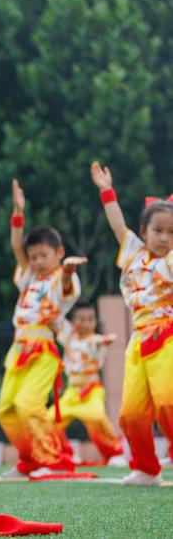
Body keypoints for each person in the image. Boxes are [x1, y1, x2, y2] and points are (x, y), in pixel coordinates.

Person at [0, 180, 85, 479]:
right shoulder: (29, 276)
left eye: (43, 255)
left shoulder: (61, 277)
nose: (36, 261)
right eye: (33, 256)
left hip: (43, 351)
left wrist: (70, 271)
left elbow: (68, 288)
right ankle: (30, 460)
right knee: (6, 410)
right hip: (18, 349)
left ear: (59, 252)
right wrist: (18, 212)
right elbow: (15, 246)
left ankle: (53, 460)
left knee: (28, 404)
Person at [91, 162, 173, 486]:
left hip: (168, 336)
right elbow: (116, 224)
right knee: (131, 412)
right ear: (144, 231)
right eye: (158, 230)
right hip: (138, 342)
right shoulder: (133, 252)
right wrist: (105, 190)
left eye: (172, 232)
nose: (165, 237)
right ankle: (146, 468)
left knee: (169, 401)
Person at [47, 302, 124, 466]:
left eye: (90, 319)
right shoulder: (68, 337)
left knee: (96, 417)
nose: (86, 323)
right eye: (81, 319)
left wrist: (106, 341)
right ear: (73, 321)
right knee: (49, 420)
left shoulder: (95, 340)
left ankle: (113, 453)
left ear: (95, 322)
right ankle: (65, 454)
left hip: (92, 390)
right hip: (72, 393)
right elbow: (55, 320)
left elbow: (101, 340)